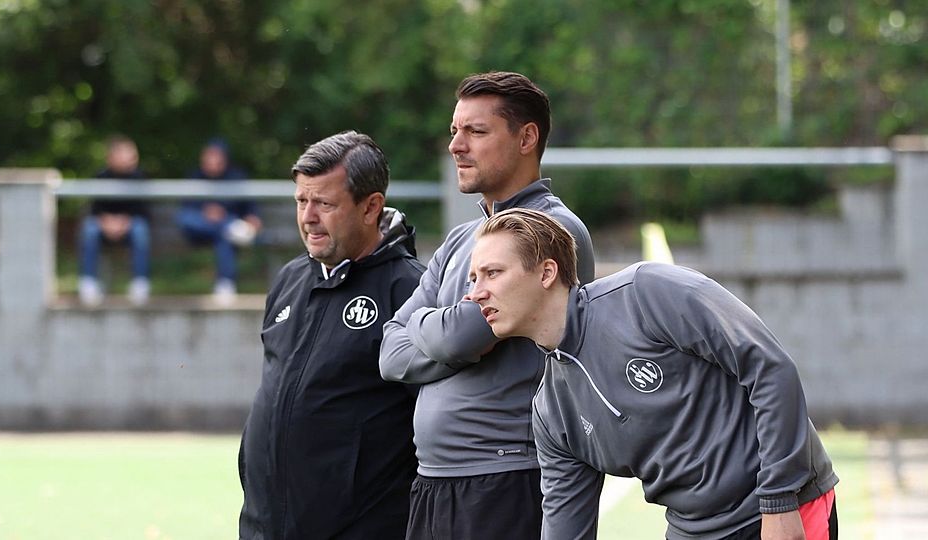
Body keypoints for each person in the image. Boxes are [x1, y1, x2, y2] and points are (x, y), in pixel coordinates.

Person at [466, 208, 839, 540]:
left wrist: (777, 502)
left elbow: (771, 369)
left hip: (785, 505)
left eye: (492, 273)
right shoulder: (550, 414)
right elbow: (565, 526)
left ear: (547, 272)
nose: (474, 294)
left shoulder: (647, 292)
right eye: (472, 279)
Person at [379, 71, 595, 539]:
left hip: (506, 480)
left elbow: (461, 334)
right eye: (455, 131)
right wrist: (444, 335)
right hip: (434, 481)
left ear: (526, 138)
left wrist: (428, 327)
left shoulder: (553, 230)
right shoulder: (462, 237)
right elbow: (389, 354)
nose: (457, 145)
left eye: (475, 131)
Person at [238, 131, 423, 539]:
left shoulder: (411, 292)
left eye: (324, 203)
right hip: (264, 527)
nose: (307, 217)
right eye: (301, 201)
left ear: (371, 207)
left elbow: (433, 427)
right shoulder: (289, 279)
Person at [175, 138, 262, 304]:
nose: (212, 161)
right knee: (187, 219)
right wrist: (207, 213)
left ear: (225, 158)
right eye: (209, 157)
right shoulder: (194, 176)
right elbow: (186, 210)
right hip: (198, 229)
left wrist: (252, 218)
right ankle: (230, 226)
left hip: (222, 234)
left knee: (223, 235)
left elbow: (250, 208)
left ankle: (225, 283)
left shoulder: (237, 177)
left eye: (216, 157)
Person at [78, 135, 150, 306]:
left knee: (140, 229)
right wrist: (107, 221)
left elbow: (144, 210)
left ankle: (140, 283)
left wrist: (125, 222)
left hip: (130, 227)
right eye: (125, 154)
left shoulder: (140, 178)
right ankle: (88, 283)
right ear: (111, 157)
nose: (130, 158)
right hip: (105, 226)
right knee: (89, 229)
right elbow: (96, 208)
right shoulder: (101, 177)